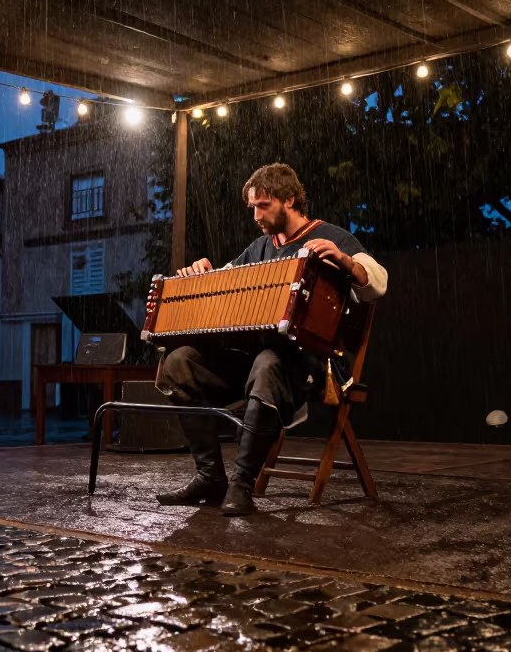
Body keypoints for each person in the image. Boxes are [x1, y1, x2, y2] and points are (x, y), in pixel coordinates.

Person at [155, 163, 388, 516]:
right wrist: (204, 274)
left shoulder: (329, 236)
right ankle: (211, 477)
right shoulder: (260, 247)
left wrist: (344, 261)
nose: (256, 215)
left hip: (308, 364)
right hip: (258, 362)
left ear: (289, 199)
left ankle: (241, 485)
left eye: (262, 206)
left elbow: (378, 282)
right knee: (178, 363)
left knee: (267, 364)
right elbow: (226, 282)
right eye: (252, 207)